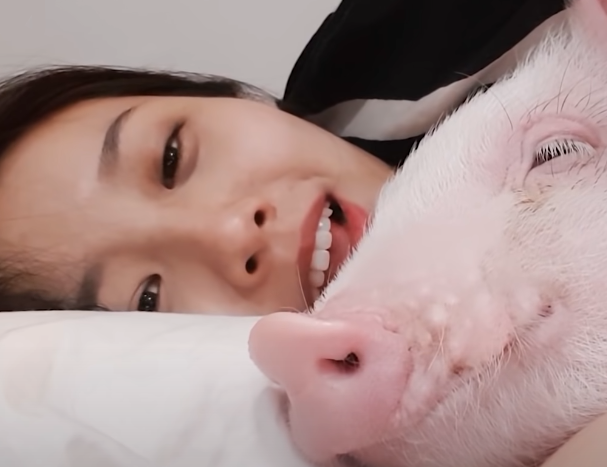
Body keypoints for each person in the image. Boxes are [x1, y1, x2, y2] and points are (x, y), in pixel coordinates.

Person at [0, 0, 565, 315]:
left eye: (170, 158)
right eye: (148, 300)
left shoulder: (401, 42)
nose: (229, 233)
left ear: (232, 97)